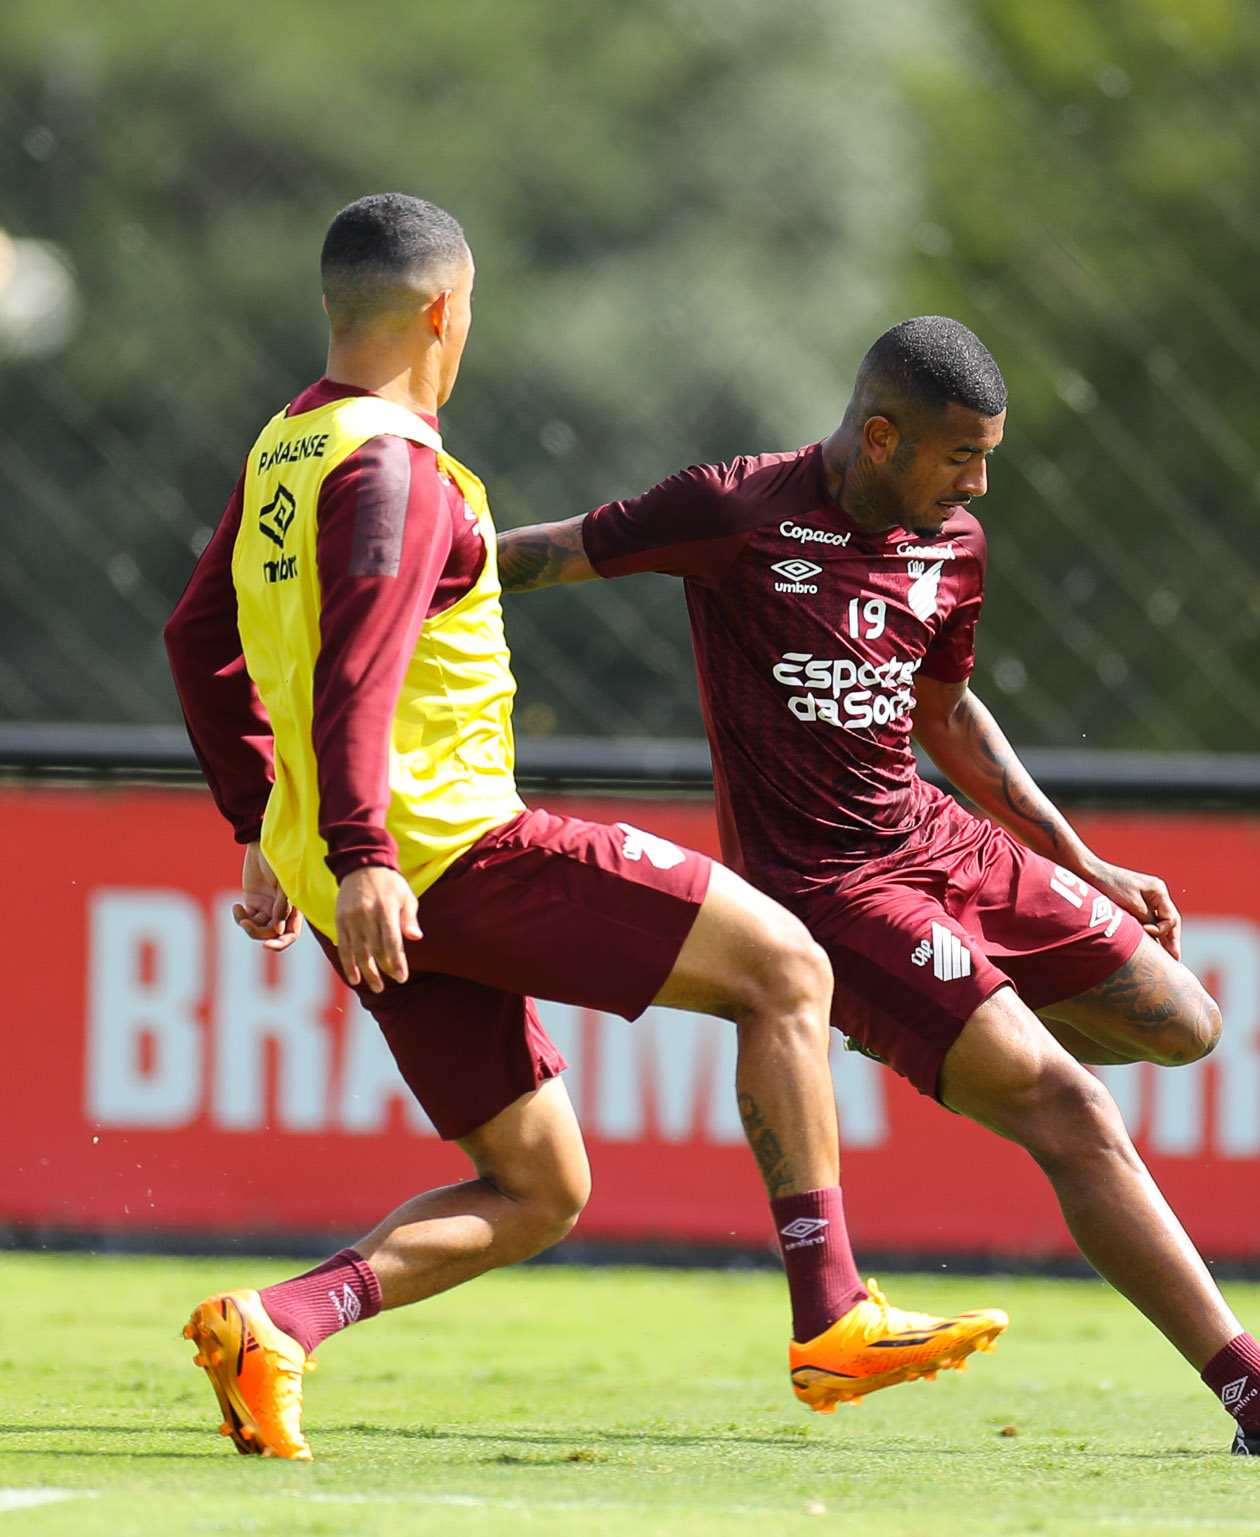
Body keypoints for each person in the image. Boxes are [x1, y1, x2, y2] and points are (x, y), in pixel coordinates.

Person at [160, 199, 1001, 1461]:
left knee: (542, 1188)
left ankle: (277, 1322)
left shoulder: (287, 452)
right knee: (789, 968)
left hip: (362, 882)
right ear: (447, 311)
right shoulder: (396, 461)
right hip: (442, 855)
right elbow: (359, 665)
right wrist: (360, 846)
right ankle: (834, 1315)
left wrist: (265, 818)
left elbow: (198, 640)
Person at [494, 316, 1260, 1460]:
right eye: (961, 456)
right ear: (880, 437)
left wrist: (1083, 862)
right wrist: (389, 579)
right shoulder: (734, 512)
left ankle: (905, 1024)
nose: (977, 483)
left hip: (940, 841)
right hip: (828, 888)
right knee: (1071, 1111)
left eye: (989, 459)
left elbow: (946, 712)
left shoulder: (952, 543)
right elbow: (539, 553)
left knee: (1184, 1023)